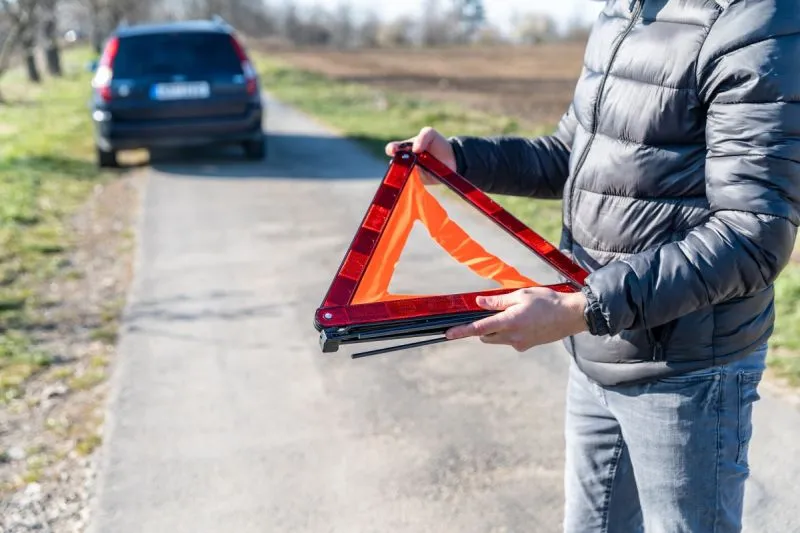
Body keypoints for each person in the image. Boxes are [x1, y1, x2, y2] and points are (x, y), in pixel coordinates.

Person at [386, 1, 799, 532]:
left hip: (686, 372)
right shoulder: (624, 11)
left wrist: (584, 308)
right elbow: (573, 154)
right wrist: (463, 161)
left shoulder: (756, 22)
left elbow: (753, 234)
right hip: (595, 348)